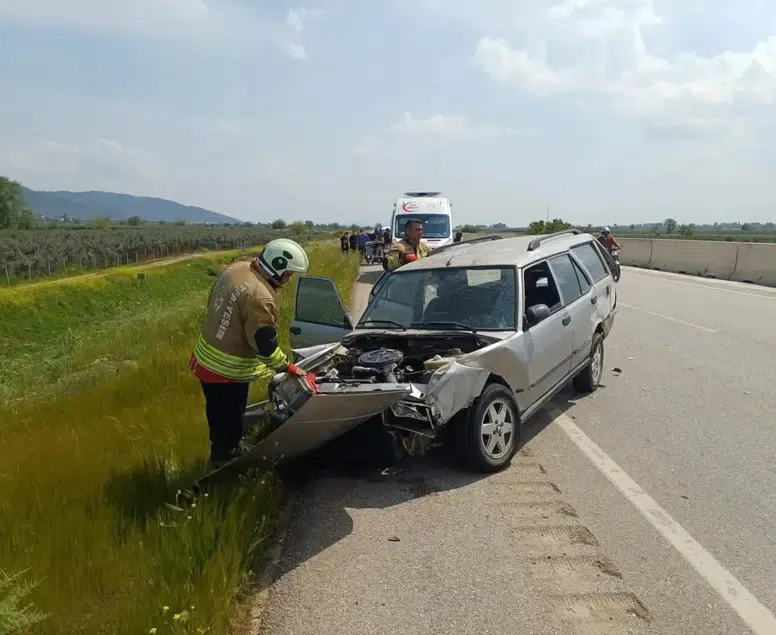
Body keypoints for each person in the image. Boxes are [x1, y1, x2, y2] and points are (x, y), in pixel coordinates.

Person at [188, 238, 310, 468]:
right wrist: (287, 367)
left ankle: (223, 450)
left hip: (206, 357)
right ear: (279, 267)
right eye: (289, 274)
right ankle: (223, 464)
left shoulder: (237, 268)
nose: (289, 279)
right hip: (226, 371)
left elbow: (212, 300)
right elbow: (264, 346)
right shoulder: (260, 297)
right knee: (230, 420)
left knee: (217, 416)